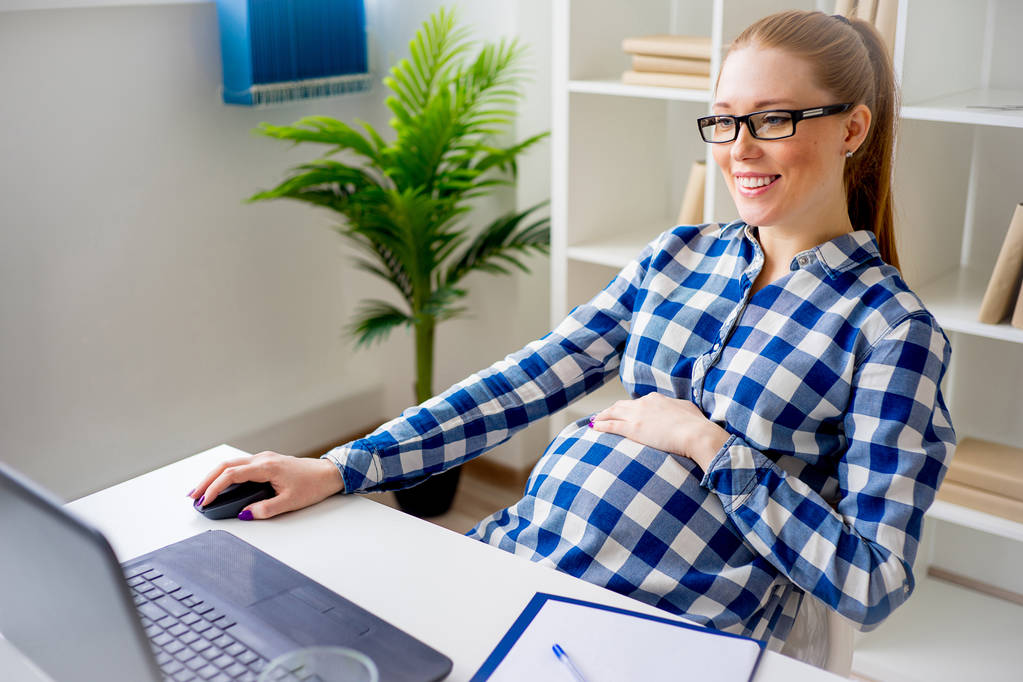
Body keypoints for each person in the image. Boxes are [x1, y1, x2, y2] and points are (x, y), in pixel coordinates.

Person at [188, 10, 956, 660]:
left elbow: (871, 579)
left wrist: (706, 444)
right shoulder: (678, 255)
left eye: (774, 119)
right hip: (512, 559)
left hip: (641, 633)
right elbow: (527, 381)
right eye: (723, 119)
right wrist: (342, 469)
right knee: (276, 635)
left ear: (852, 127)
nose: (738, 148)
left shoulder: (890, 332)